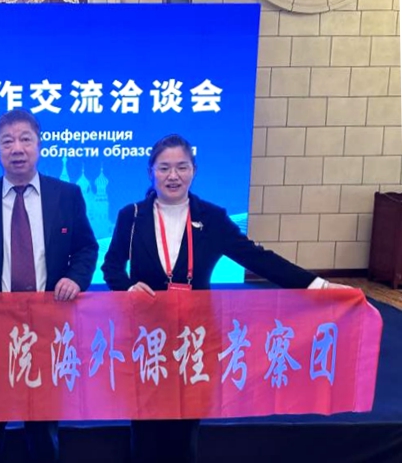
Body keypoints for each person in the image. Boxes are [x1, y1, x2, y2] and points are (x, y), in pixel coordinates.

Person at [101, 133, 349, 463]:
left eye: (182, 167)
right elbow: (111, 266)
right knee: (145, 428)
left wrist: (318, 286)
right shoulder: (131, 216)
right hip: (146, 339)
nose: (173, 176)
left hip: (195, 339)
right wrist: (128, 287)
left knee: (185, 429)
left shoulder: (213, 218)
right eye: (164, 168)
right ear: (151, 172)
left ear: (194, 170)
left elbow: (258, 259)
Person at [0, 109, 99, 463]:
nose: (16, 148)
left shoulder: (67, 194)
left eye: (25, 139)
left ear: (39, 144)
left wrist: (75, 278)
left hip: (47, 327)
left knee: (43, 428)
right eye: (7, 141)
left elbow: (86, 247)